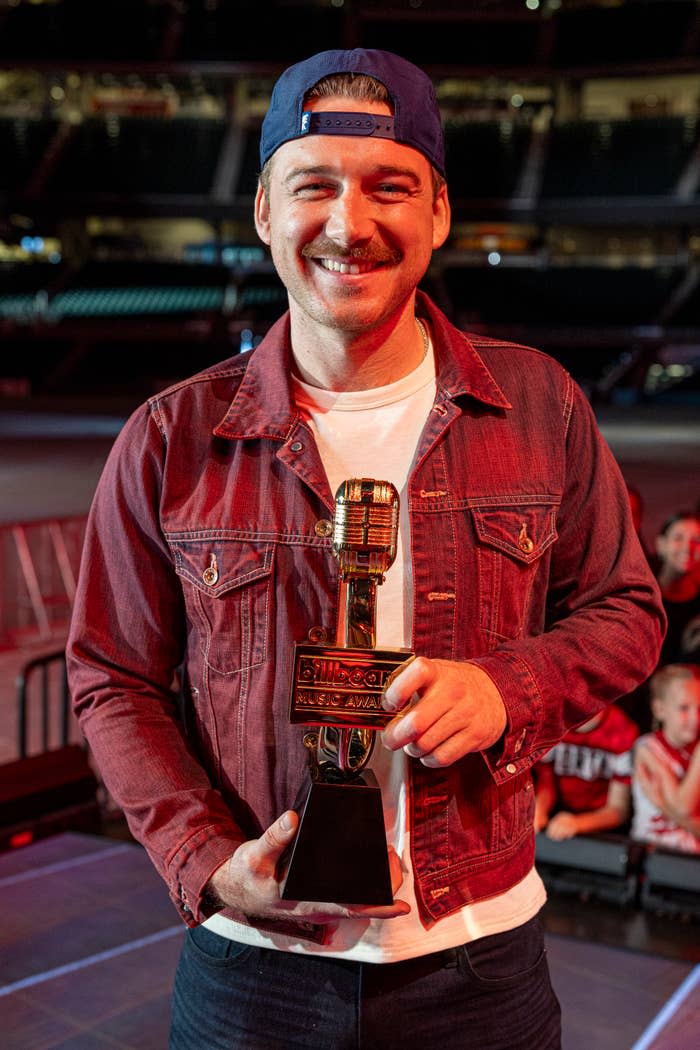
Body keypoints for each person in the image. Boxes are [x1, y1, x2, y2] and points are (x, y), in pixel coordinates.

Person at [67, 49, 665, 1050]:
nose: (349, 224)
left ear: (437, 212)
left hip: (480, 966)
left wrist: (504, 689)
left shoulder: (539, 405)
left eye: (389, 186)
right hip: (252, 974)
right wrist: (205, 857)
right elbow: (109, 676)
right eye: (315, 186)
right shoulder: (170, 436)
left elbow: (627, 612)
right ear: (264, 209)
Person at [534, 704, 638, 840]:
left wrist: (577, 823)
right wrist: (539, 809)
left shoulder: (621, 730)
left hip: (602, 829)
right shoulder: (550, 720)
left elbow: (618, 811)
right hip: (556, 815)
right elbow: (546, 784)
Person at [631, 664, 700, 853]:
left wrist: (660, 803)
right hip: (648, 855)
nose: (696, 718)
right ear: (659, 709)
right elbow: (683, 807)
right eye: (684, 708)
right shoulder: (647, 748)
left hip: (691, 863)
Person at [654, 512, 700, 665]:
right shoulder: (642, 595)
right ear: (661, 545)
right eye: (678, 538)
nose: (688, 547)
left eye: (696, 540)